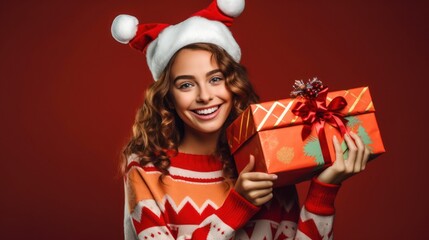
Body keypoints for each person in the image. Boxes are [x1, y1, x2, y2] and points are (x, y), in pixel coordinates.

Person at [111, 1, 370, 239]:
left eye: (215, 79)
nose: (205, 96)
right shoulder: (146, 171)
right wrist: (238, 205)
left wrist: (324, 189)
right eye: (186, 84)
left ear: (233, 84)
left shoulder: (266, 162)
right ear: (168, 97)